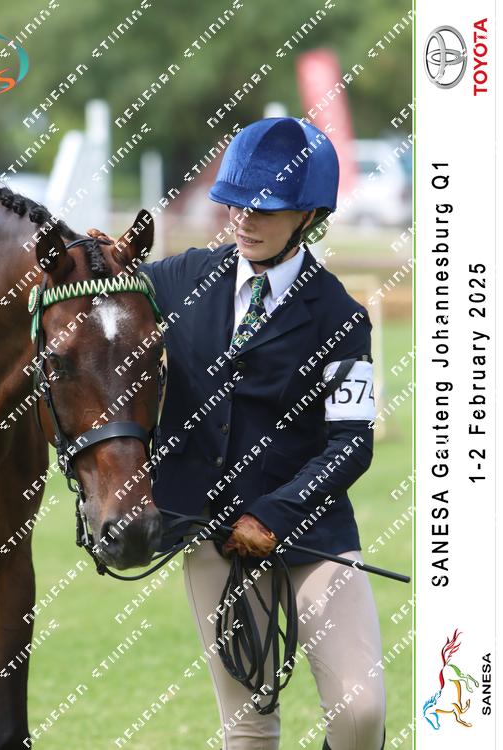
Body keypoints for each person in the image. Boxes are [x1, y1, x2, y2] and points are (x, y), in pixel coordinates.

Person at [95, 117, 386, 750]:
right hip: (212, 539)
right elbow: (103, 302)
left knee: (361, 711)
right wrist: (94, 259)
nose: (244, 221)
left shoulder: (340, 315)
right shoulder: (180, 279)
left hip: (313, 533)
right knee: (249, 726)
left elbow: (352, 442)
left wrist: (274, 514)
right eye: (236, 204)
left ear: (308, 215)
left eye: (265, 210)